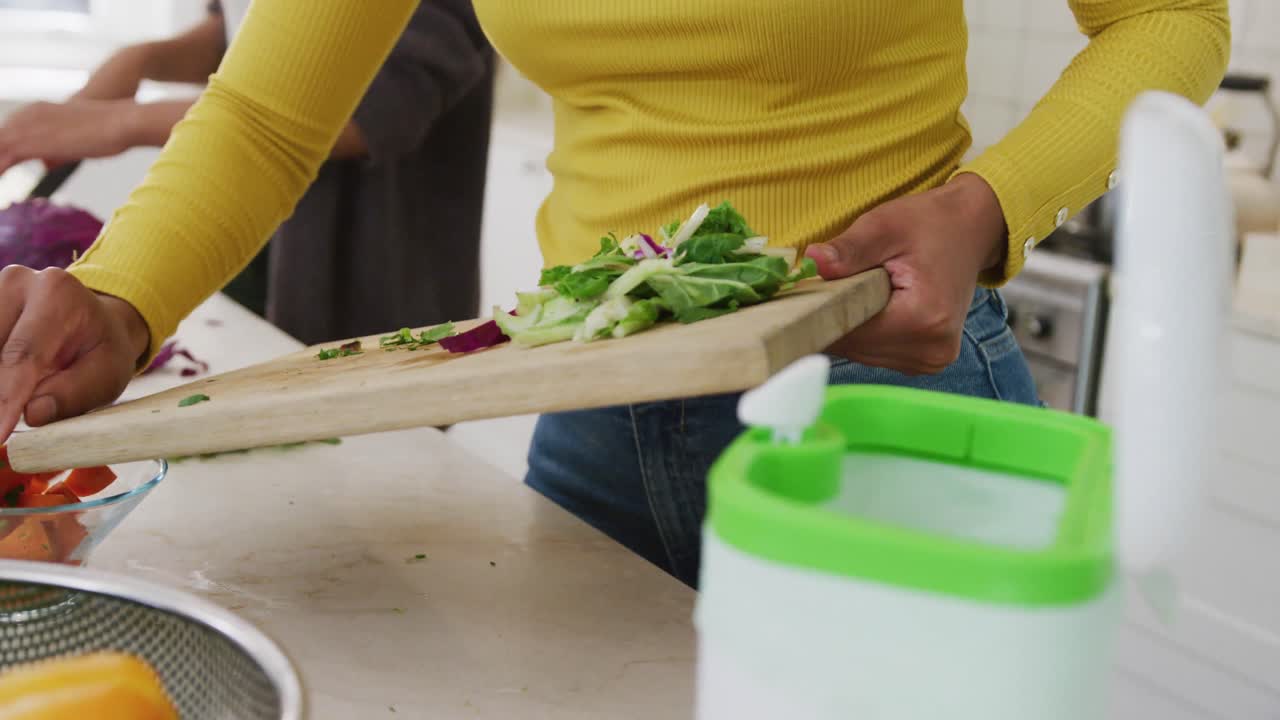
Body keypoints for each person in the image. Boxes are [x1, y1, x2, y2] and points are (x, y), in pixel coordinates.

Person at [0, 1, 1229, 587]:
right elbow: (269, 114)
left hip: (885, 401)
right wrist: (119, 301)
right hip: (599, 415)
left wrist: (984, 207)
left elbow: (1170, 17)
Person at [0, 0, 493, 345]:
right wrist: (142, 59)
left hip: (371, 283)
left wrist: (119, 123)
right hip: (247, 247)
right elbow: (251, 36)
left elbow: (371, 110)